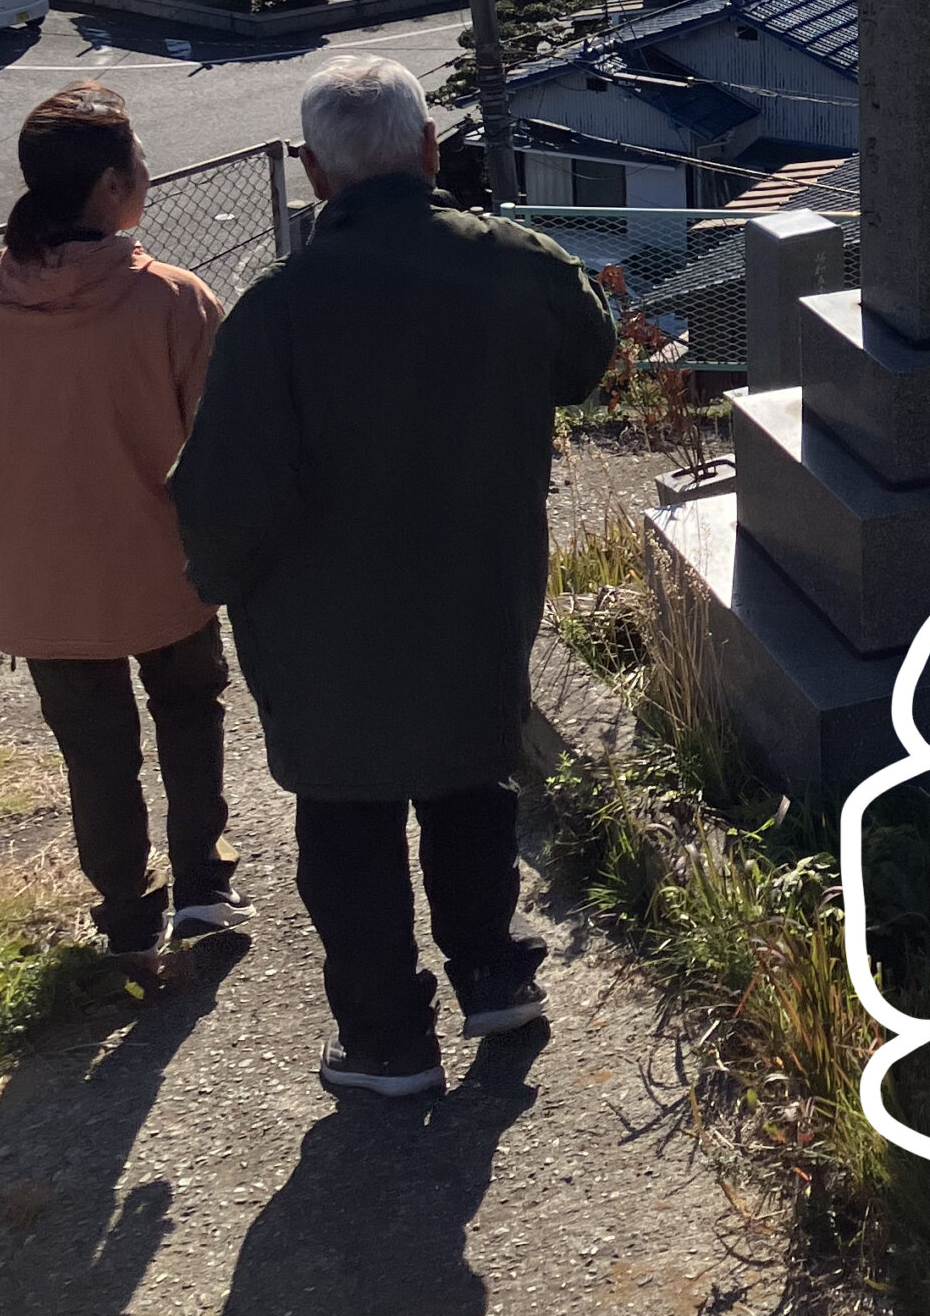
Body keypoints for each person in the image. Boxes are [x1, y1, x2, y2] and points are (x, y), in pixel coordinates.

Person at [172, 55, 615, 1099]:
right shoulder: (517, 263)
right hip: (476, 586)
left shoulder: (276, 310)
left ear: (314, 173)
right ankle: (493, 974)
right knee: (471, 778)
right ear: (428, 148)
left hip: (324, 621)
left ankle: (386, 1040)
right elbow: (585, 361)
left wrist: (217, 579)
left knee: (346, 814)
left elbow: (224, 489)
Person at [0, 81, 241, 961]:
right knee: (189, 710)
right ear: (109, 185)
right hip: (163, 566)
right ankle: (204, 888)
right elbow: (223, 452)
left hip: (42, 583)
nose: (147, 171)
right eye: (138, 159)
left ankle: (127, 918)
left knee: (95, 753)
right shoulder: (173, 300)